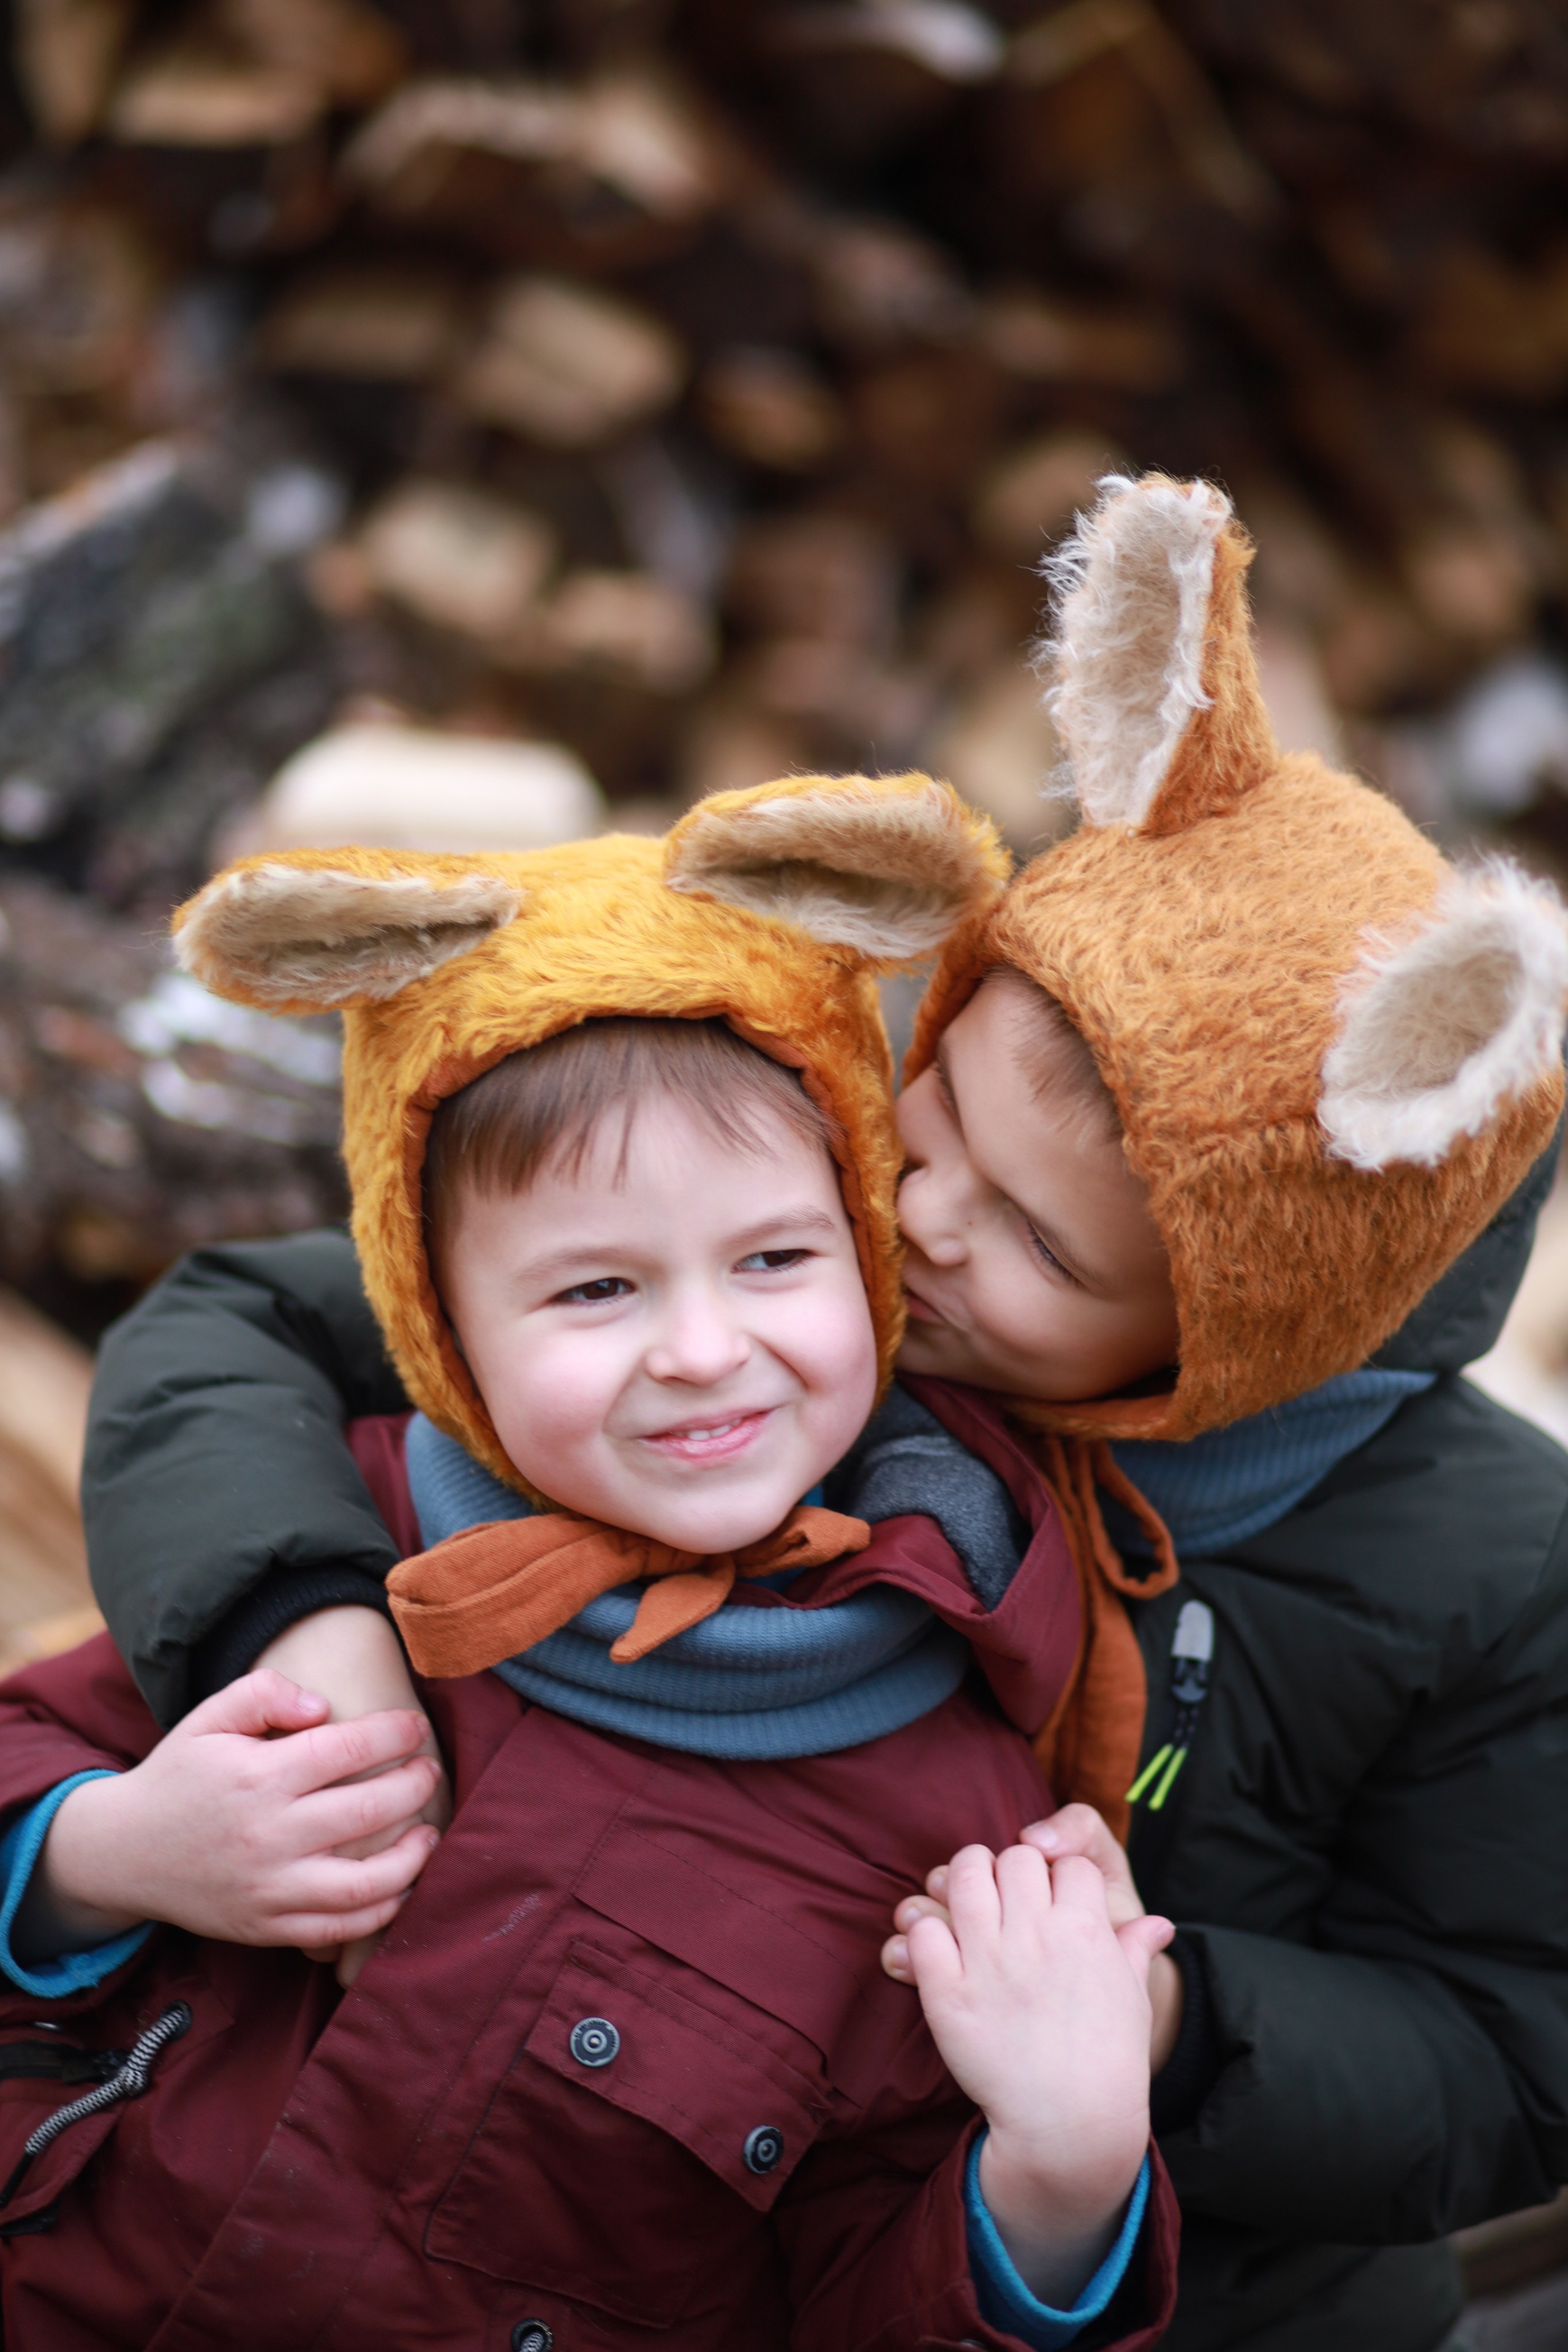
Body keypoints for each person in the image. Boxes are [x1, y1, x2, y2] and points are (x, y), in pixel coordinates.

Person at [78, 475, 1568, 2352]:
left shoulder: (1494, 1569)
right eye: (928, 1128)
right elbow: (245, 1330)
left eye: (1030, 1237)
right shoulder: (797, 1293)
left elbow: (1516, 2060)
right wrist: (301, 1626)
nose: (921, 1227)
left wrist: (1160, 2032)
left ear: (1229, 1328)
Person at [0, 779, 1180, 2351]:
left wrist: (1063, 2171)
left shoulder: (950, 1818)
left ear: (870, 1259)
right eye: (596, 1289)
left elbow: (848, 2298)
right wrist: (106, 1853)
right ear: (439, 1326)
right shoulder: (337, 1556)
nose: (704, 1351)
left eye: (773, 1258)